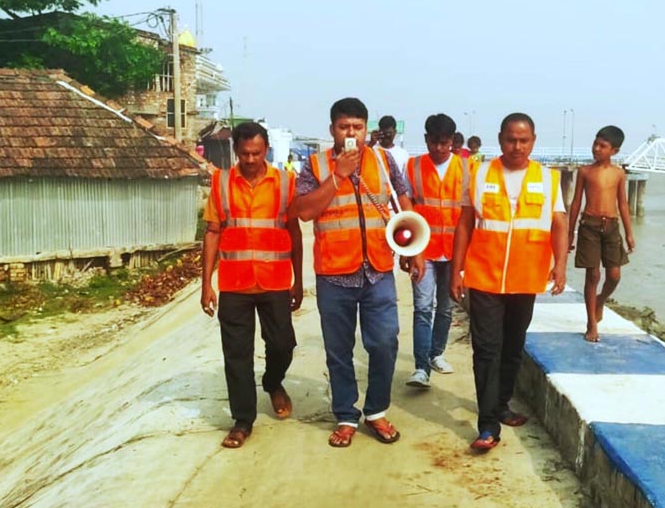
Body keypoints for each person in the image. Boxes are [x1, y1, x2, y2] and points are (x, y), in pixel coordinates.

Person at [289, 97, 424, 448]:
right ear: (332, 129)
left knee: (383, 343)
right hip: (334, 273)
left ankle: (376, 410)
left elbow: (403, 197)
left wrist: (413, 246)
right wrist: (338, 176)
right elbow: (303, 211)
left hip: (377, 269)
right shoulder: (314, 166)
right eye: (344, 127)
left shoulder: (382, 159)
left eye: (357, 127)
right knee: (338, 350)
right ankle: (347, 415)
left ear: (367, 128)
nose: (351, 133)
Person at [451, 113, 568, 451]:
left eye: (524, 140)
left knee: (513, 347)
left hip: (526, 278)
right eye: (510, 140)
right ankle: (487, 426)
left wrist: (559, 266)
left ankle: (501, 405)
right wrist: (456, 270)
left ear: (533, 140)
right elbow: (465, 223)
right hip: (484, 277)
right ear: (500, 139)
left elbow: (559, 223)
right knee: (486, 349)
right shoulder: (479, 173)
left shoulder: (548, 179)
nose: (517, 146)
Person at [200, 121, 304, 449]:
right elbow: (213, 233)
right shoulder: (221, 182)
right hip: (235, 283)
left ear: (267, 150)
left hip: (274, 281)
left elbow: (295, 233)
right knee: (236, 355)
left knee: (283, 345)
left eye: (256, 153)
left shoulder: (286, 182)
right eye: (244, 153)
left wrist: (299, 280)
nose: (249, 159)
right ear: (236, 152)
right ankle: (242, 419)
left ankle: (273, 383)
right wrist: (206, 284)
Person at [405, 113, 469, 388]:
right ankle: (421, 368)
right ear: (426, 140)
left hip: (454, 252)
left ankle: (436, 354)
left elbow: (472, 215)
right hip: (424, 250)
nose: (439, 149)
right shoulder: (414, 166)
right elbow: (405, 205)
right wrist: (408, 250)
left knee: (445, 309)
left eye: (444, 143)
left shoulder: (468, 170)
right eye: (434, 142)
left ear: (453, 142)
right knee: (422, 308)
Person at [568, 126, 635, 343]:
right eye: (595, 144)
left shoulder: (618, 173)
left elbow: (623, 204)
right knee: (593, 275)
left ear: (614, 151)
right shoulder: (585, 171)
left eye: (602, 146)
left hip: (611, 226)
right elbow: (576, 202)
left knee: (614, 275)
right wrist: (570, 233)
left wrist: (629, 233)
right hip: (589, 226)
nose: (596, 149)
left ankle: (600, 300)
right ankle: (591, 323)